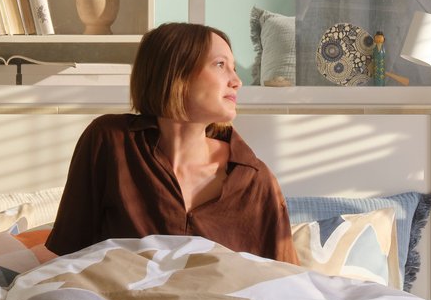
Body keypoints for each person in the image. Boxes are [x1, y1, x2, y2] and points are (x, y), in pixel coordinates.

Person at [46, 21, 298, 262]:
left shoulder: (255, 180)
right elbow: (68, 256)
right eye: (221, 65)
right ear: (175, 72)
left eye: (233, 67)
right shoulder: (111, 142)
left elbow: (285, 282)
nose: (236, 81)